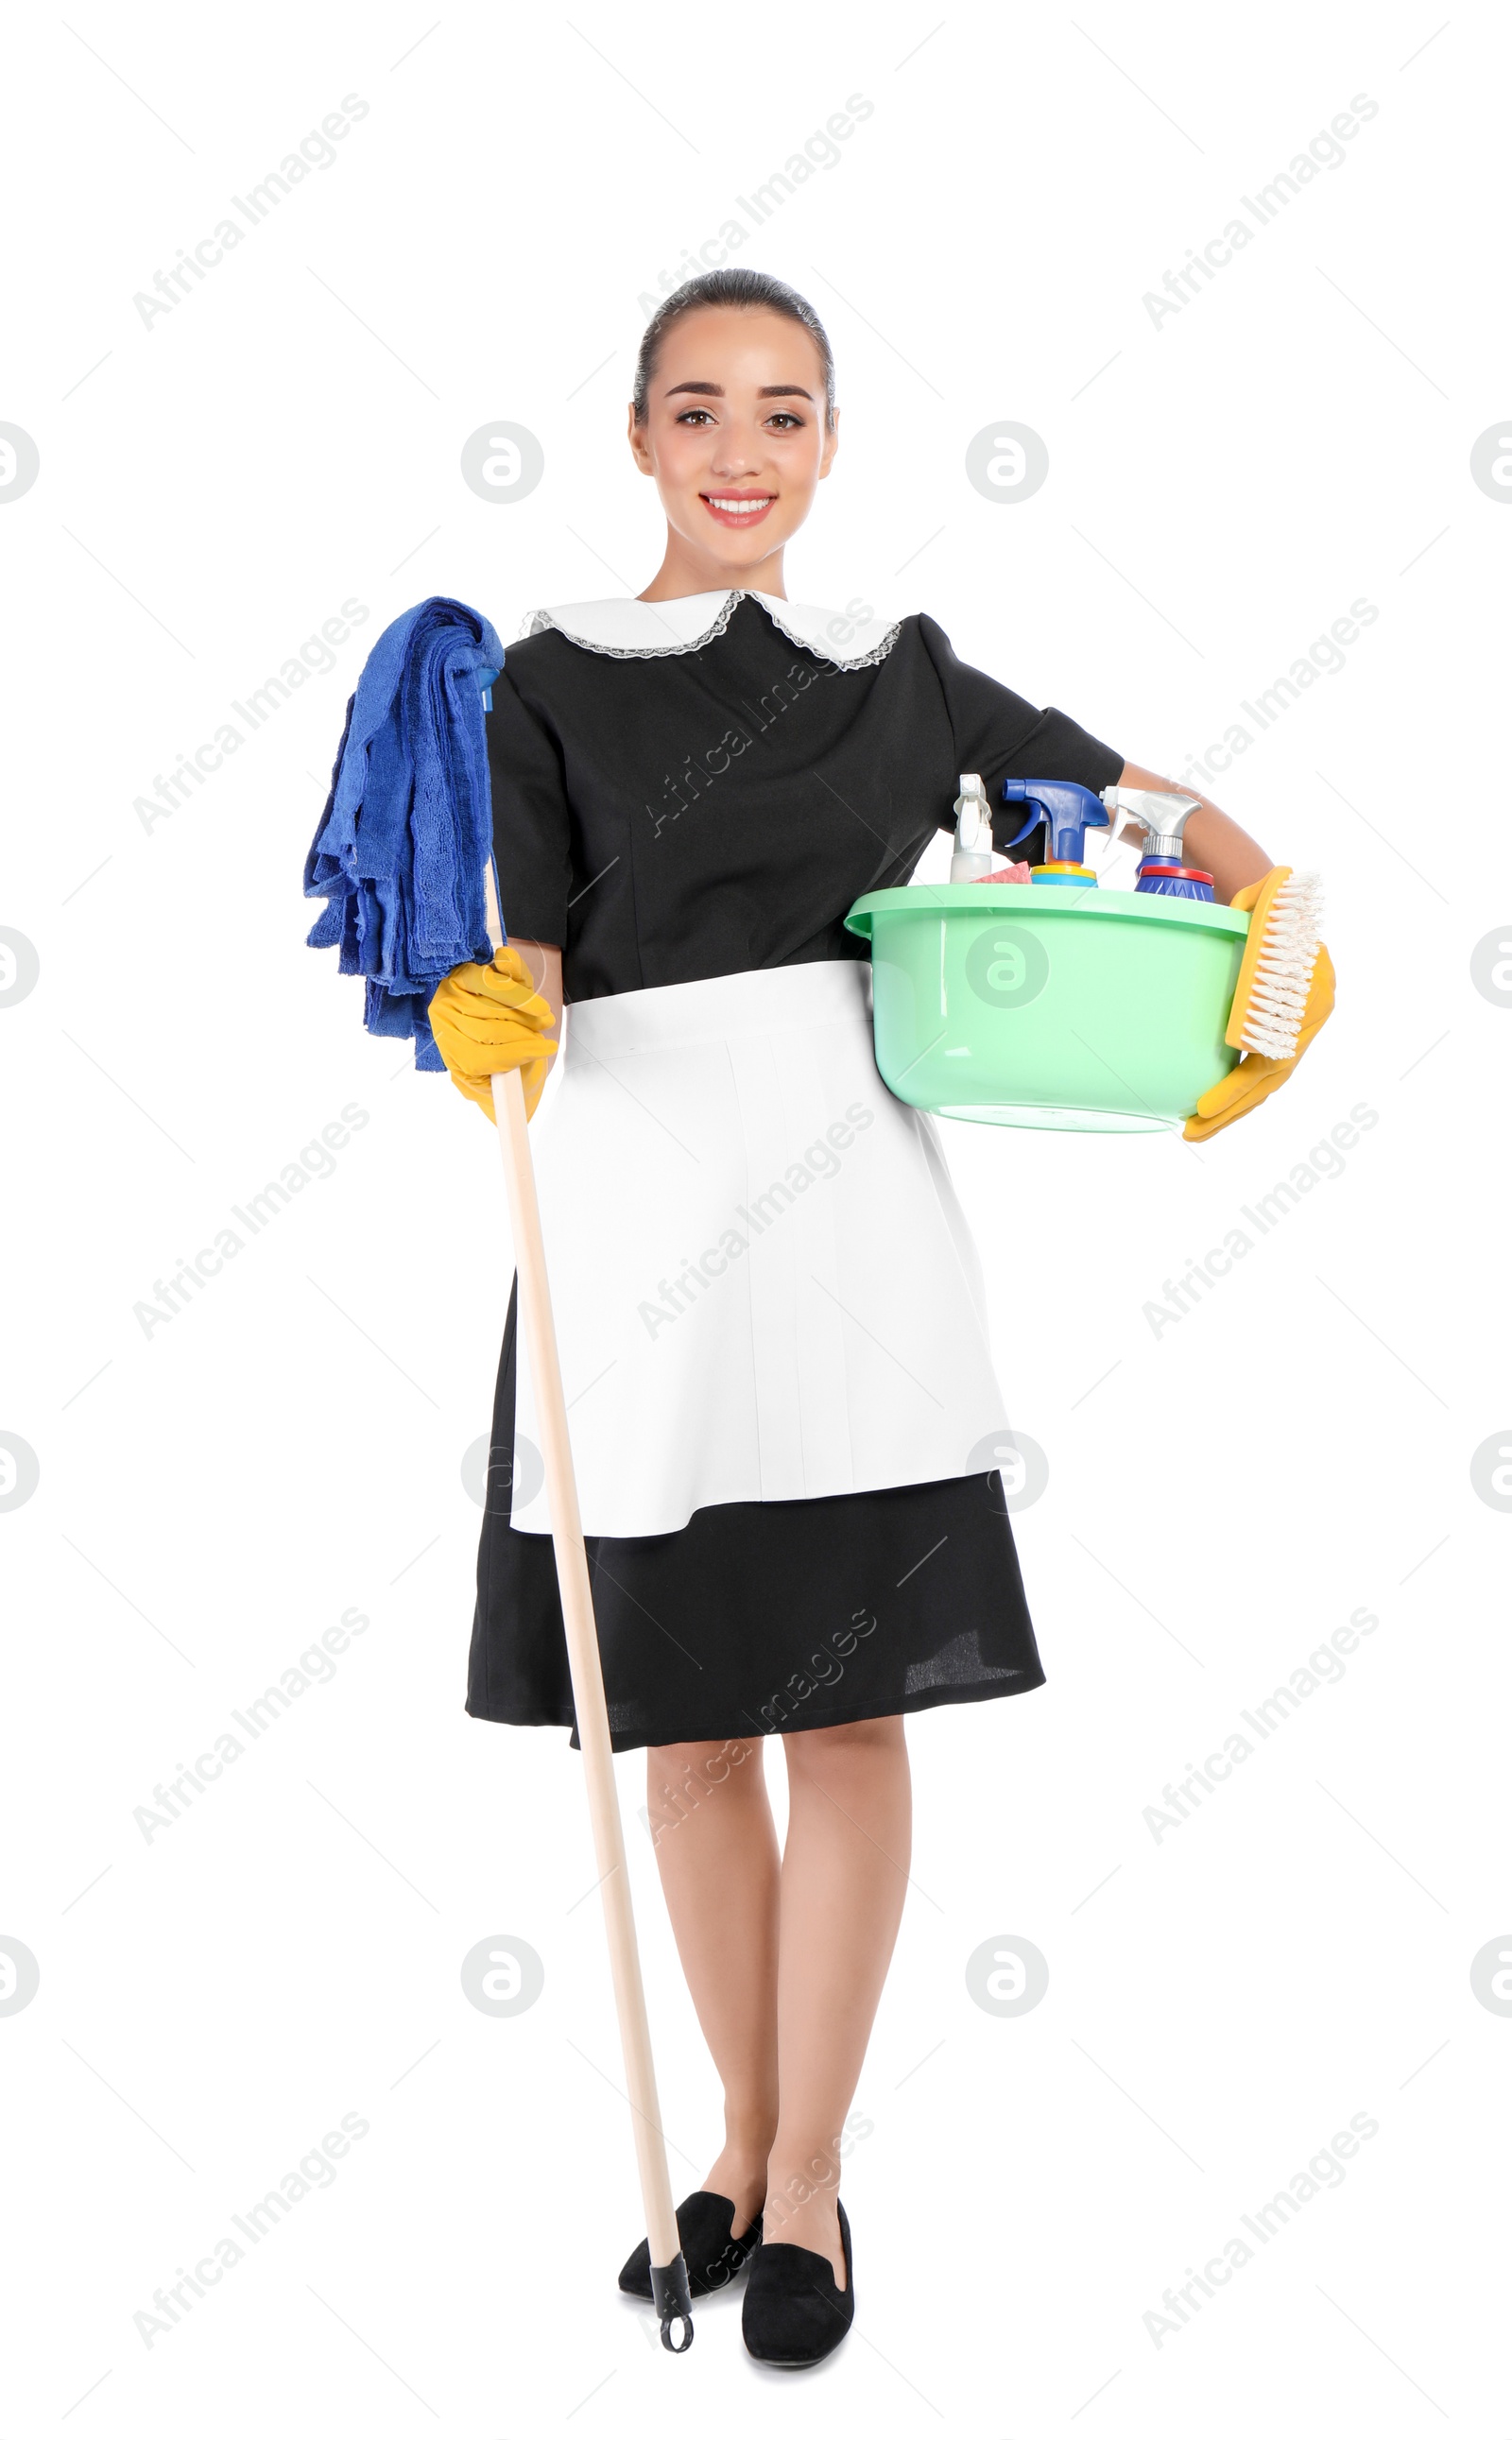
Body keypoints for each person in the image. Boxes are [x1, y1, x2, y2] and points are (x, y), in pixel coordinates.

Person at [425, 268, 1332, 2368]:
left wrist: (1275, 926)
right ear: (637, 440)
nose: (742, 452)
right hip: (632, 1219)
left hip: (850, 1225)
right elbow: (531, 979)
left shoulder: (898, 678)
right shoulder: (542, 683)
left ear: (826, 445)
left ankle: (806, 2166)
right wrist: (489, 1016)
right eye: (698, 412)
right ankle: (727, 2145)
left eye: (785, 413)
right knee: (680, 1737)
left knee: (843, 1709)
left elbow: (1133, 813)